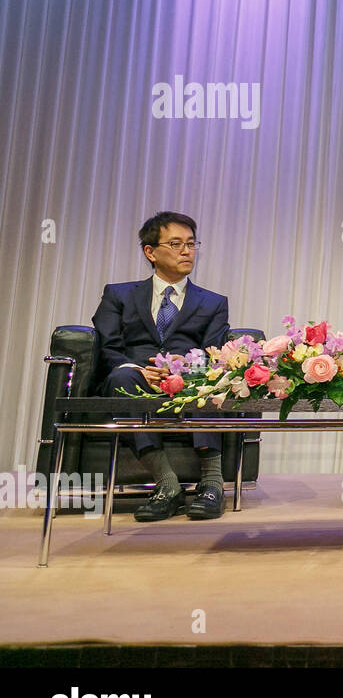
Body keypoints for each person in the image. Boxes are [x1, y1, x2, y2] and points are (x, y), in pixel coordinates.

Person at [92, 212, 231, 521]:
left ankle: (211, 483)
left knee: (205, 378)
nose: (187, 251)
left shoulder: (213, 302)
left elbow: (214, 352)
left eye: (192, 244)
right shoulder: (119, 294)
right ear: (150, 251)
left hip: (186, 378)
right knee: (122, 377)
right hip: (134, 376)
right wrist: (137, 367)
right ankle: (167, 485)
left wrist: (185, 366)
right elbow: (108, 346)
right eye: (176, 243)